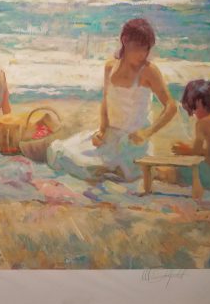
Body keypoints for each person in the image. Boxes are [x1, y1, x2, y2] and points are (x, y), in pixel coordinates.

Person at [47, 18, 177, 182]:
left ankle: (116, 167)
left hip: (134, 141)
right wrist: (101, 131)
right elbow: (106, 101)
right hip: (111, 136)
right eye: (138, 48)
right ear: (125, 41)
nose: (142, 54)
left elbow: (171, 106)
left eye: (146, 49)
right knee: (60, 152)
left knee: (119, 170)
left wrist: (147, 132)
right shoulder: (110, 67)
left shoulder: (149, 71)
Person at [172, 79, 210, 189]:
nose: (193, 114)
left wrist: (184, 149)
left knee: (179, 171)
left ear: (198, 102)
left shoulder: (202, 124)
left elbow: (196, 152)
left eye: (193, 109)